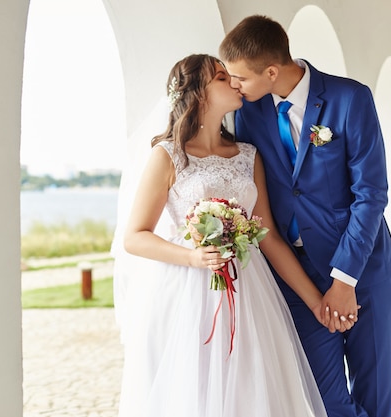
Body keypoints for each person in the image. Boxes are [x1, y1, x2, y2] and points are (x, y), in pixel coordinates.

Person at [117, 53, 332, 417]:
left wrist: (317, 301)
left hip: (250, 291)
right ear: (198, 93)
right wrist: (192, 256)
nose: (233, 81)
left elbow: (269, 238)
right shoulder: (169, 156)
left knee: (251, 390)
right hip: (187, 295)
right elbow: (134, 236)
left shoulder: (248, 155)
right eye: (220, 77)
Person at [219, 15, 391, 417]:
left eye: (239, 78)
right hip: (299, 279)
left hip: (364, 272)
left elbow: (371, 195)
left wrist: (344, 279)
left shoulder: (351, 98)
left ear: (271, 71)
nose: (234, 86)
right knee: (325, 399)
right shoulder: (249, 114)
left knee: (375, 393)